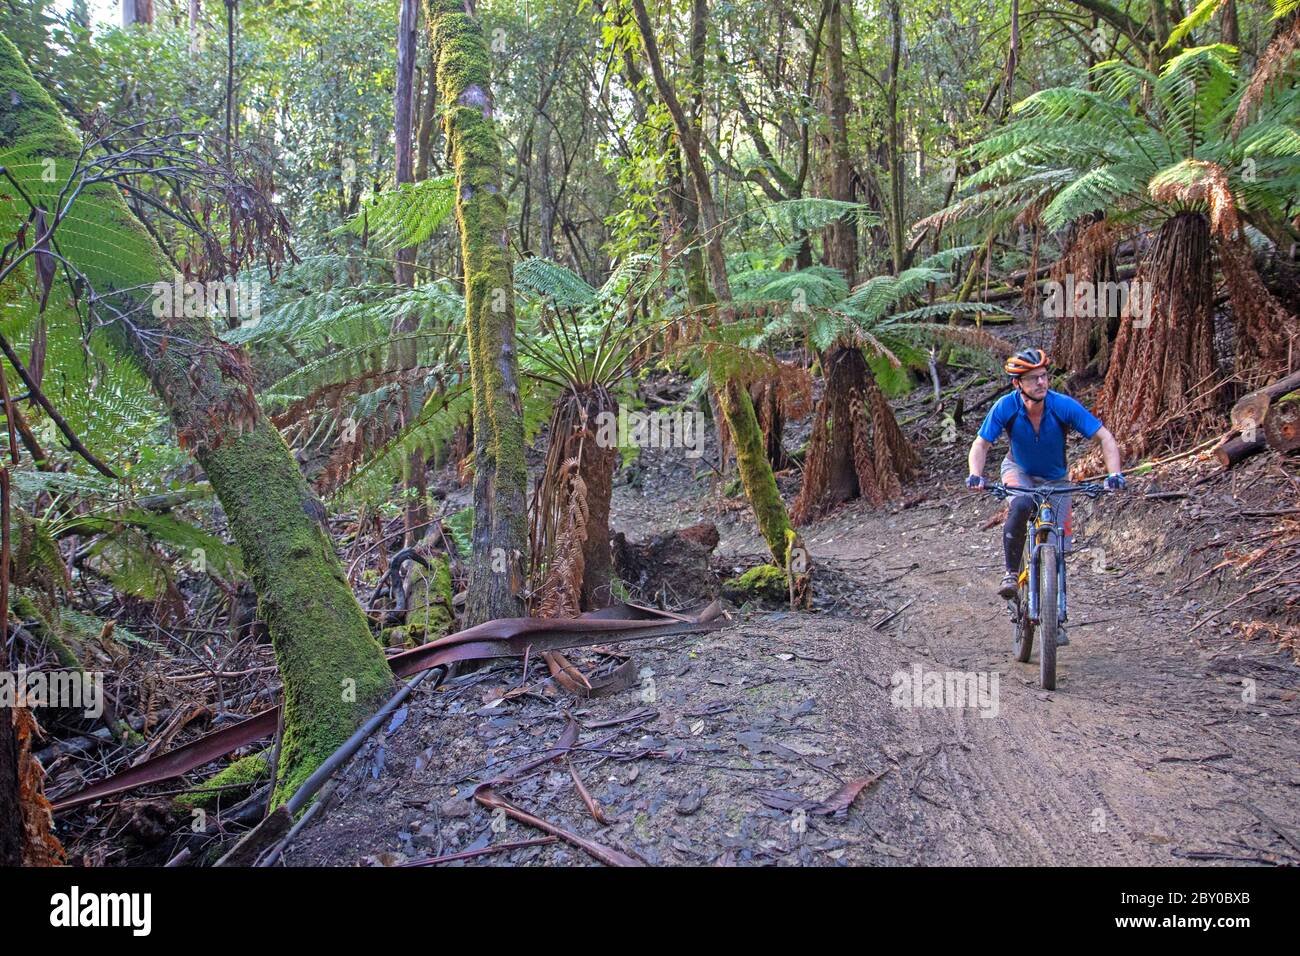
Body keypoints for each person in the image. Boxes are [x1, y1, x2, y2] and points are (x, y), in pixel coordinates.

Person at [965, 348, 1126, 612]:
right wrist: (975, 474)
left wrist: (1114, 474)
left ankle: (1056, 614)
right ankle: (1010, 573)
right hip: (1019, 470)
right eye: (1032, 378)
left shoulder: (1061, 405)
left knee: (1058, 549)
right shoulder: (1006, 406)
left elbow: (1104, 438)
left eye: (1043, 376)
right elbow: (981, 445)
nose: (1041, 382)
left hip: (1057, 479)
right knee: (1021, 502)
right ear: (1018, 383)